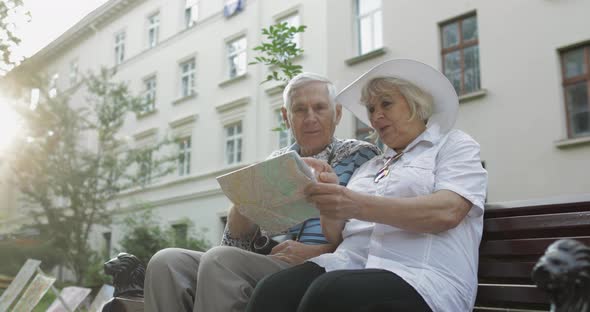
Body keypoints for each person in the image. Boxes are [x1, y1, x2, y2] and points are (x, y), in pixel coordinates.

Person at [246, 59, 488, 312]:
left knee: (330, 292)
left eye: (386, 104)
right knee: (272, 290)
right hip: (350, 266)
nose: (376, 115)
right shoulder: (370, 166)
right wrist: (330, 201)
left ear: (416, 104)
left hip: (423, 279)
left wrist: (355, 204)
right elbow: (336, 236)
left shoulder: (453, 145)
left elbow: (447, 211)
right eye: (371, 109)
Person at [144, 72, 380, 312]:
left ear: (337, 113)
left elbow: (372, 234)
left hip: (323, 265)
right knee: (166, 262)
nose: (310, 118)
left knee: (220, 261)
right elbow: (234, 243)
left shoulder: (361, 155)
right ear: (286, 117)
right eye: (300, 110)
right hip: (271, 261)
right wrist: (243, 199)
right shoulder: (276, 161)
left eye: (319, 108)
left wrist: (321, 251)